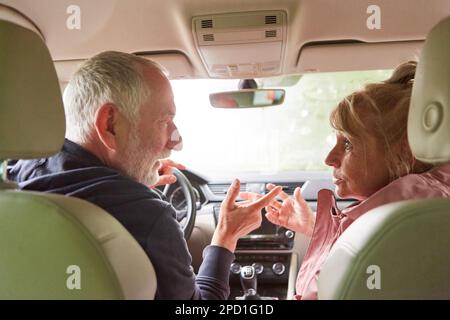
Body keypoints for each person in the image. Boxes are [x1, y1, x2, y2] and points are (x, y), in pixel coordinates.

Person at [7, 51, 282, 300]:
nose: (177, 142)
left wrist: (130, 179)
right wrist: (225, 235)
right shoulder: (147, 217)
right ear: (110, 124)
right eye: (165, 122)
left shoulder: (14, 180)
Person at [240, 61, 450, 299]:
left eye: (348, 144)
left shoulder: (402, 224)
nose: (329, 159)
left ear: (403, 153)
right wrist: (314, 227)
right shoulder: (418, 209)